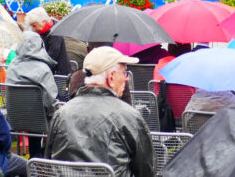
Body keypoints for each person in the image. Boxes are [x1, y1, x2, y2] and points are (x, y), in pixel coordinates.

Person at [46, 47, 154, 177]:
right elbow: (147, 169)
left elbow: (48, 162)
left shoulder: (61, 114)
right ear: (111, 77)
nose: (126, 79)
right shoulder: (129, 116)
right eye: (124, 73)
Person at [6, 31, 60, 159]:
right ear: (39, 46)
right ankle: (43, 157)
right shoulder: (43, 69)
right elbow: (51, 101)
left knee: (34, 120)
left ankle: (33, 157)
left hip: (15, 120)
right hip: (40, 122)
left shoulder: (12, 66)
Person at [25, 7, 72, 75]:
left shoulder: (55, 33)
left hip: (58, 74)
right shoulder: (39, 33)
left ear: (44, 22)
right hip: (45, 71)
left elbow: (51, 57)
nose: (33, 29)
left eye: (34, 26)